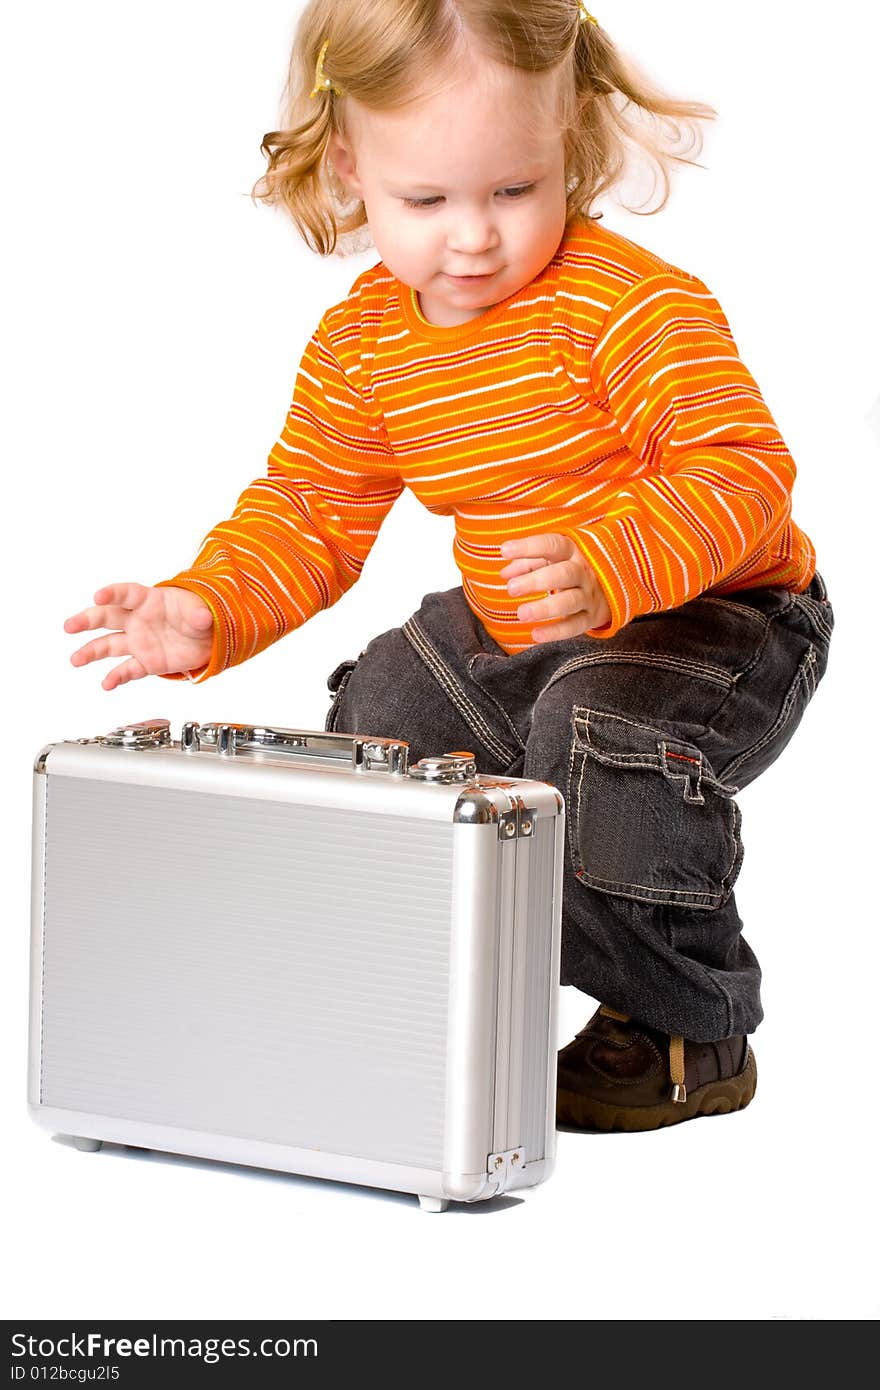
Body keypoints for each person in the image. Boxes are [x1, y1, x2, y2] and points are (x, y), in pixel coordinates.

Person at [62, 0, 834, 1132]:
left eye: (514, 191)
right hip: (519, 617)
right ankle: (436, 978)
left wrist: (611, 552)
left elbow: (742, 471)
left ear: (565, 143)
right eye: (425, 200)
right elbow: (311, 510)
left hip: (719, 615)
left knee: (592, 728)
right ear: (347, 168)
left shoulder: (630, 305)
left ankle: (684, 1024)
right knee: (384, 700)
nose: (473, 236)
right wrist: (207, 604)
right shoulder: (364, 345)